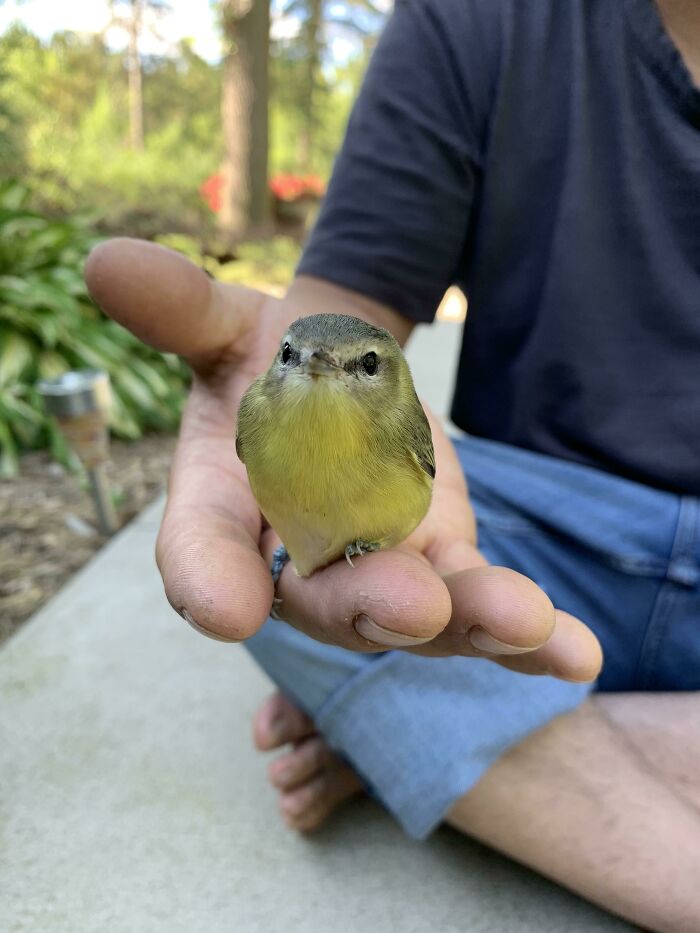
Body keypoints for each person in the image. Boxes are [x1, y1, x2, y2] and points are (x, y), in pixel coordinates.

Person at [84, 0, 700, 928]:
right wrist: (267, 347)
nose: (315, 372)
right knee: (262, 566)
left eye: (350, 372)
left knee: (389, 625)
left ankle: (453, 753)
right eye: (296, 364)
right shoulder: (480, 17)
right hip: (535, 524)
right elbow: (343, 300)